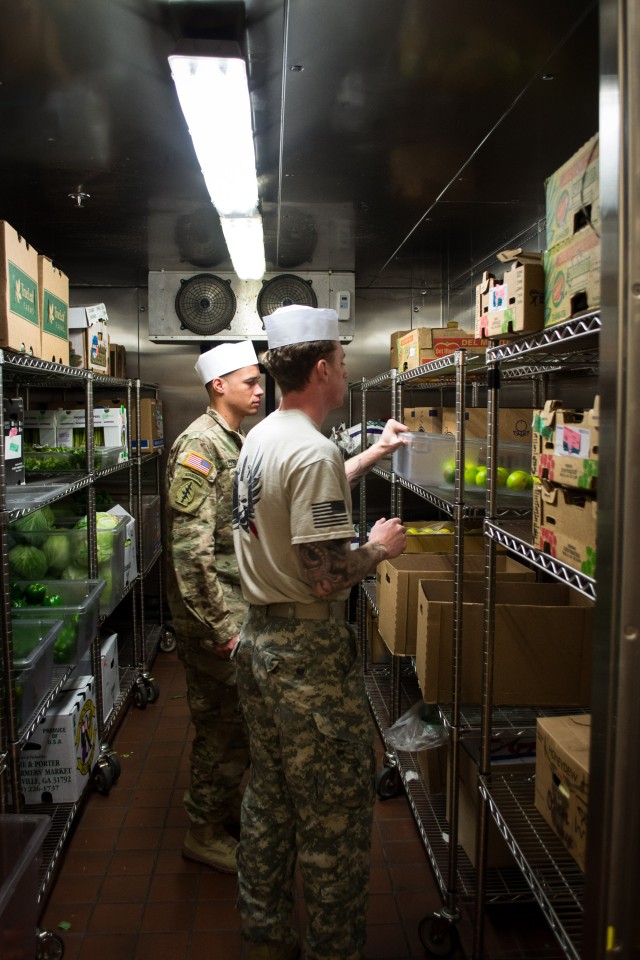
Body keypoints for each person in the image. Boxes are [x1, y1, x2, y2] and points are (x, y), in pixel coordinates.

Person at [231, 305, 408, 960]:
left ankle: (266, 934)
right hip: (307, 657)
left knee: (271, 801)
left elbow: (293, 502)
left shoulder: (264, 438)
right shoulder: (310, 451)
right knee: (334, 822)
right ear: (326, 368)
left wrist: (371, 454)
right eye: (342, 359)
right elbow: (328, 576)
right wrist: (380, 547)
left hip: (262, 644)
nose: (344, 370)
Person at [165, 339, 264, 874]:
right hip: (214, 618)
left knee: (235, 724)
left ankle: (220, 815)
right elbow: (190, 552)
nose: (259, 389)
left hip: (233, 606)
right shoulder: (200, 446)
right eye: (249, 381)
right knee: (222, 727)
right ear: (217, 385)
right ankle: (202, 830)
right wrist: (222, 629)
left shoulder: (232, 440)